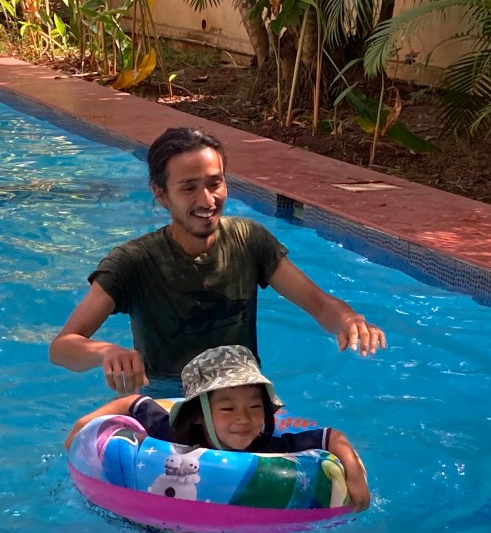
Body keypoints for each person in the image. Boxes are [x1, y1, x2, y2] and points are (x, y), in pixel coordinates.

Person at [48, 126, 387, 395]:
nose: (207, 200)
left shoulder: (249, 240)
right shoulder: (134, 261)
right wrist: (107, 353)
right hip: (169, 401)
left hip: (242, 401)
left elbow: (320, 304)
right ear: (161, 194)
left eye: (215, 184)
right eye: (189, 188)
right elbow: (63, 347)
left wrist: (348, 320)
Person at [65, 345, 371, 513]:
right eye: (228, 408)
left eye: (255, 407)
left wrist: (355, 475)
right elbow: (133, 402)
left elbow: (331, 437)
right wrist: (83, 426)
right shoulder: (171, 434)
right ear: (199, 416)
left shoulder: (268, 451)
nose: (244, 419)